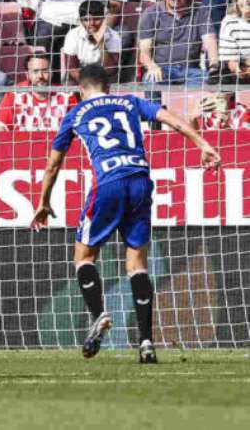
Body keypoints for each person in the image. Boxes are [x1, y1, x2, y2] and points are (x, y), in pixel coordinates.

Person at [31, 64, 221, 363]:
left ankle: (98, 314)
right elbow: (170, 119)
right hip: (141, 182)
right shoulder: (129, 102)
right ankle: (146, 342)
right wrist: (203, 144)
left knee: (84, 257)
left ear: (81, 89)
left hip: (108, 183)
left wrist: (42, 202)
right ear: (108, 86)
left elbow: (53, 165)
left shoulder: (76, 113)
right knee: (137, 263)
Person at [138, 0, 219, 86]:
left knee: (207, 81)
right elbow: (144, 53)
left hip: (192, 70)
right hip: (161, 69)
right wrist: (152, 67)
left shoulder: (200, 11)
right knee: (151, 79)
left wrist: (214, 66)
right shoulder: (150, 13)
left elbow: (210, 41)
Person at [0, 54, 77, 131]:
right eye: (35, 71)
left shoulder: (67, 95)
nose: (40, 76)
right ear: (27, 74)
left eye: (45, 71)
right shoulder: (14, 94)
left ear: (52, 73)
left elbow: (78, 126)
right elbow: (0, 126)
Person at [63, 0, 121, 84]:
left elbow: (111, 70)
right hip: (81, 76)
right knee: (68, 82)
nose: (92, 23)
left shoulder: (114, 36)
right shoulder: (73, 35)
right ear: (80, 20)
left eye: (97, 19)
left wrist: (101, 43)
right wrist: (87, 82)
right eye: (86, 20)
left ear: (104, 19)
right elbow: (71, 67)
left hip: (104, 76)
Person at [218, 0, 250, 84]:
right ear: (236, 0)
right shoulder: (229, 22)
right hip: (240, 70)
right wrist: (237, 69)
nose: (246, 0)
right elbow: (229, 59)